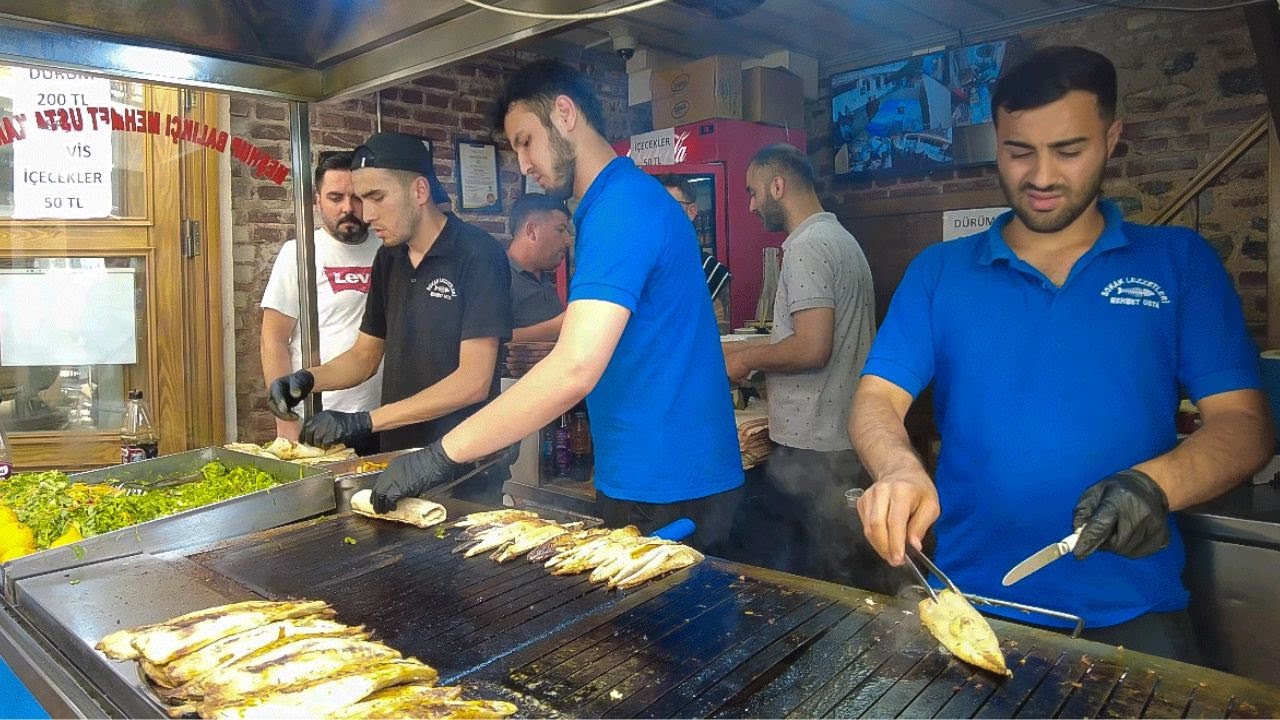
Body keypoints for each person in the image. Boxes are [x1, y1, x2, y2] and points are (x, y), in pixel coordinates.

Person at [850, 46, 1272, 661]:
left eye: (1069, 151)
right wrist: (898, 467)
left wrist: (1155, 484)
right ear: (996, 139)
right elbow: (876, 398)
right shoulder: (940, 272)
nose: (1042, 176)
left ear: (1112, 137)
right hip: (973, 608)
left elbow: (1244, 424)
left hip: (1134, 611)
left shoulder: (1178, 263)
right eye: (1020, 151)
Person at [368, 59, 743, 551]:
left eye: (525, 141)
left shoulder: (622, 207)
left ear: (565, 114)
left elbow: (574, 367)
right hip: (652, 477)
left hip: (672, 486)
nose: (522, 163)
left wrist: (440, 456)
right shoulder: (611, 205)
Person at [267, 132, 514, 502]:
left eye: (376, 197)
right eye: (362, 199)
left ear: (418, 191)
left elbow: (473, 381)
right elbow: (364, 357)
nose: (366, 214)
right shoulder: (389, 258)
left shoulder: (477, 254)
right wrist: (305, 379)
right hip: (396, 458)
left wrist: (365, 421)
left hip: (462, 462)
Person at [721, 144, 891, 590]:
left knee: (809, 582)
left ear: (779, 186)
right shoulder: (840, 240)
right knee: (839, 572)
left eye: (754, 192)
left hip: (812, 448)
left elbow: (812, 347)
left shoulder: (806, 248)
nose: (753, 205)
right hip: (841, 440)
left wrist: (745, 359)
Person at [260, 150, 383, 453]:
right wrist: (286, 424)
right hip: (317, 419)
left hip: (379, 415)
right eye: (335, 197)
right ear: (317, 201)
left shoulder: (388, 249)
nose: (348, 208)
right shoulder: (299, 253)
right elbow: (273, 339)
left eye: (356, 197)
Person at [656, 174, 731, 329]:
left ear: (691, 211)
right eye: (657, 206)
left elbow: (722, 328)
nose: (663, 214)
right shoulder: (645, 266)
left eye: (671, 206)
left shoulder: (711, 270)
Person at [504, 194, 571, 342]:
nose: (568, 241)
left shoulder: (543, 276)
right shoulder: (496, 275)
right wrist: (562, 324)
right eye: (560, 230)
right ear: (532, 231)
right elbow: (488, 341)